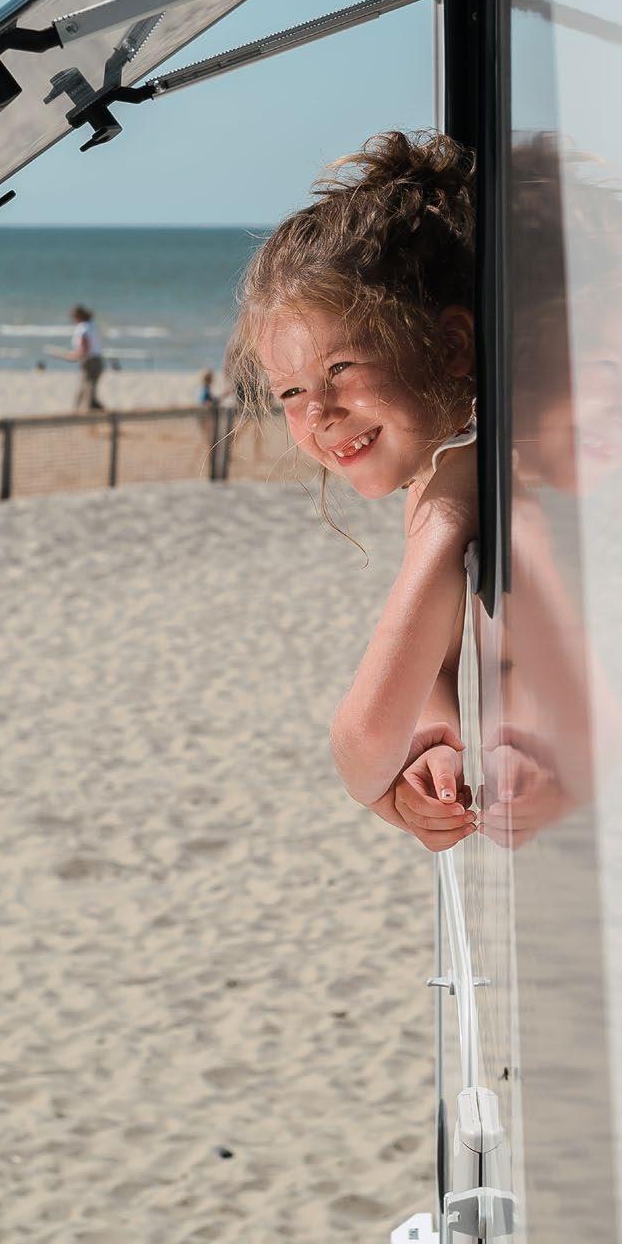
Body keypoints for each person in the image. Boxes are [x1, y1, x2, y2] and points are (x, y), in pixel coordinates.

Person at [226, 131, 479, 853]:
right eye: (290, 392)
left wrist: (378, 788)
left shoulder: (458, 482)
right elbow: (442, 660)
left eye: (340, 368)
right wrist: (438, 736)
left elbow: (364, 740)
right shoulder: (442, 469)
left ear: (450, 346)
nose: (317, 413)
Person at [62, 304, 104, 412]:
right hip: (98, 360)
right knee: (90, 387)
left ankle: (78, 410)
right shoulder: (92, 325)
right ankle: (87, 408)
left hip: (89, 360)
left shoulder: (82, 328)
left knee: (86, 387)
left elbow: (85, 346)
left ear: (78, 316)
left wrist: (74, 356)